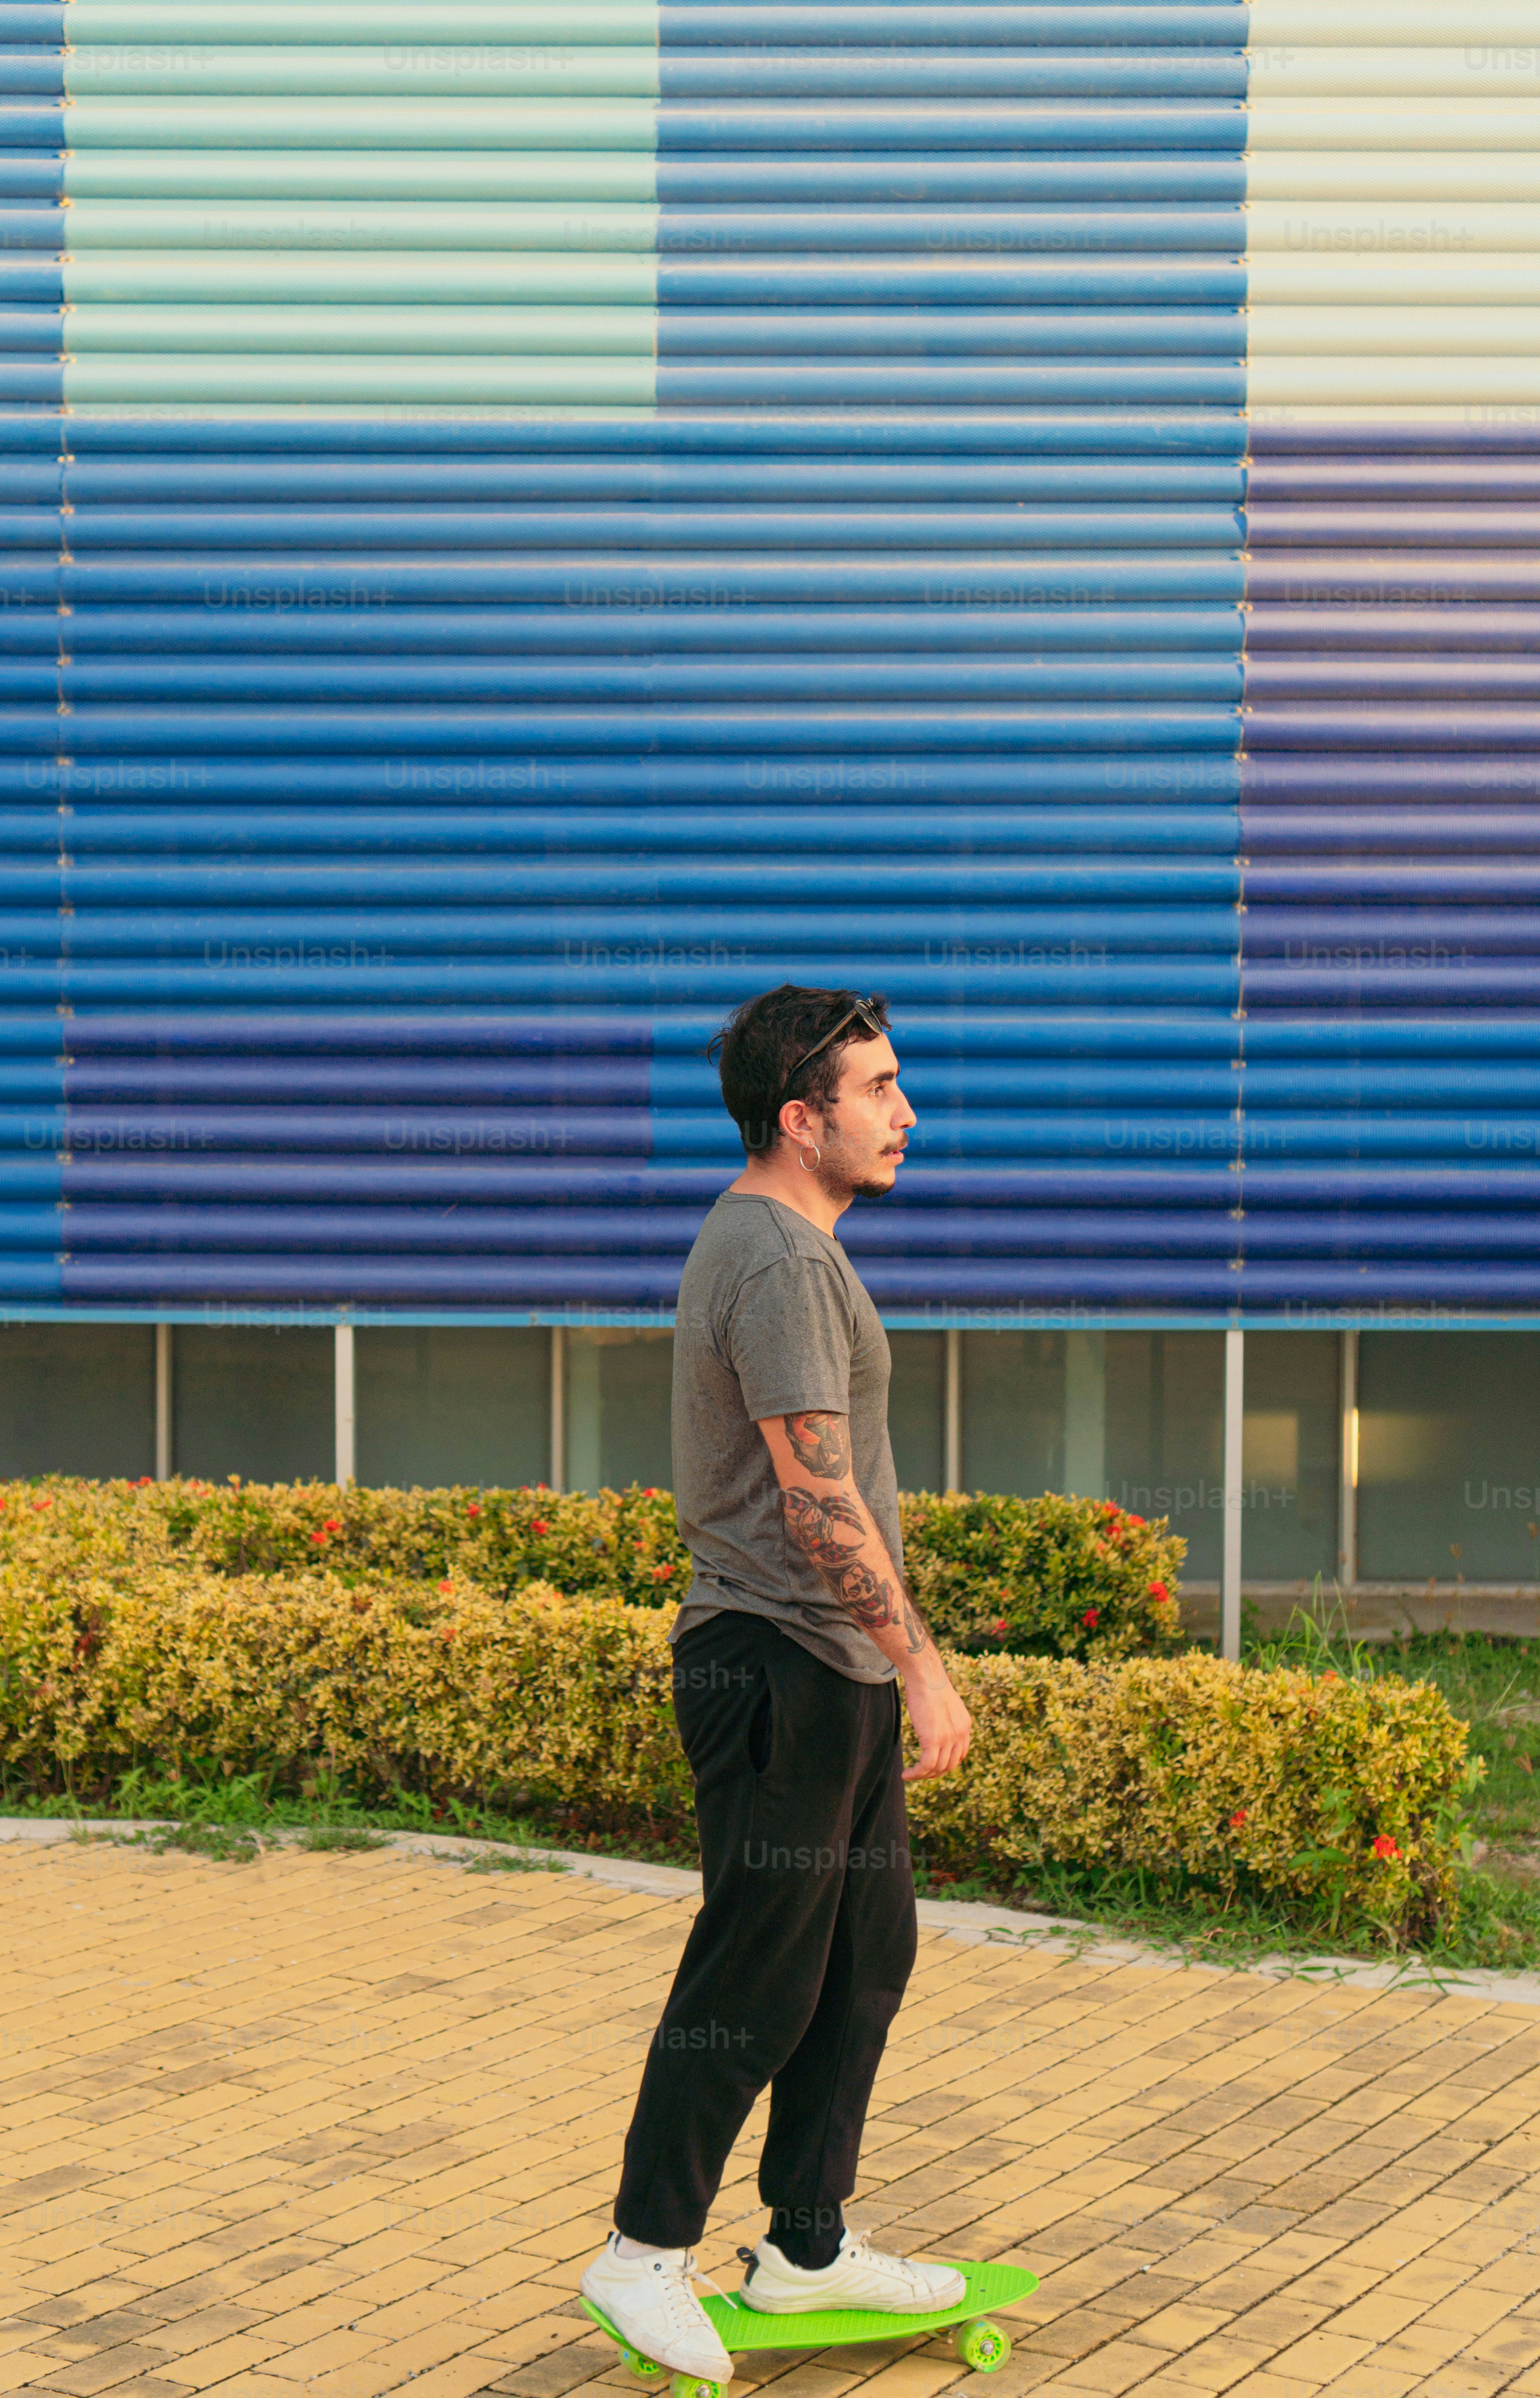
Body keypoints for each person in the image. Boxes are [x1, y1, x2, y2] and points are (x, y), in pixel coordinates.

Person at [581, 984, 974, 2382]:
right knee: (754, 1972)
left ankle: (808, 2243)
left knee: (863, 1959)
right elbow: (816, 1504)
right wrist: (923, 1670)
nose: (905, 1112)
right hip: (779, 1662)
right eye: (878, 1089)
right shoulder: (777, 1261)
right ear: (802, 1121)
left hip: (831, 1665)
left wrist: (892, 1666)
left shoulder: (786, 1244)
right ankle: (640, 2254)